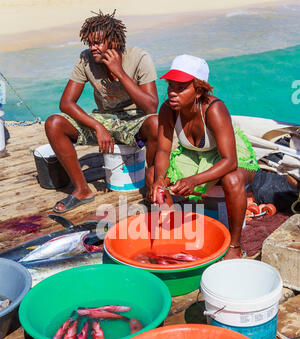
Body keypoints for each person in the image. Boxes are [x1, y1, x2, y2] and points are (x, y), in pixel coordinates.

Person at [45, 10, 159, 213]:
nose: (92, 48)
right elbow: (66, 103)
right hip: (104, 118)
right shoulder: (86, 59)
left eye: (97, 43)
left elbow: (151, 107)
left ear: (114, 41)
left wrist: (120, 72)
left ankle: (152, 187)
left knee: (156, 123)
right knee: (54, 123)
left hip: (135, 120)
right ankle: (82, 190)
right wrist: (97, 126)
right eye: (89, 43)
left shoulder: (139, 57)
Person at [149, 54, 260, 260]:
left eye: (180, 88)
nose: (172, 93)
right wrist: (159, 181)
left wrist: (194, 180)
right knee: (154, 176)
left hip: (228, 154)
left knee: (232, 178)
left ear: (198, 89)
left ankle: (235, 245)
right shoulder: (168, 109)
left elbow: (230, 161)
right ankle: (173, 234)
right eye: (170, 86)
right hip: (194, 155)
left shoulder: (214, 109)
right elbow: (163, 150)